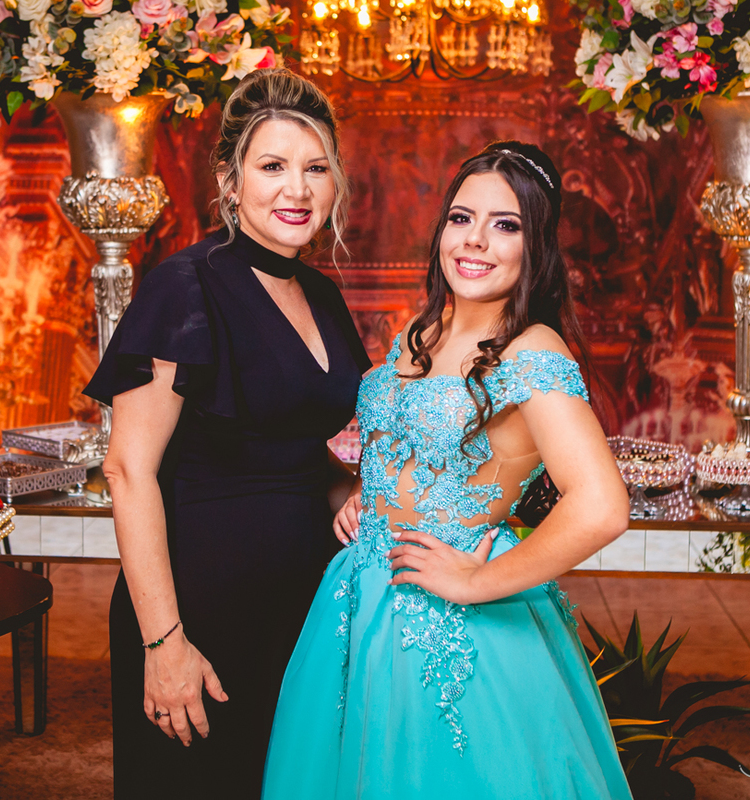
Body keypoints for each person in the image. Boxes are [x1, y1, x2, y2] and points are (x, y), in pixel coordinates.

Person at [262, 142, 634, 798]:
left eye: (506, 225)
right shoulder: (421, 331)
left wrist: (478, 579)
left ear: (536, 247)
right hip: (360, 598)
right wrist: (365, 492)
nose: (476, 240)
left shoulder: (532, 349)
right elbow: (404, 449)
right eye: (462, 218)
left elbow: (602, 506)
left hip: (452, 620)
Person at [83, 67, 371, 799]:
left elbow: (302, 450)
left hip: (303, 607)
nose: (297, 189)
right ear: (230, 182)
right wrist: (164, 643)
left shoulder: (322, 296)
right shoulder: (185, 285)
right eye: (272, 166)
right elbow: (128, 470)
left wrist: (348, 492)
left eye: (316, 169)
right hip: (199, 611)